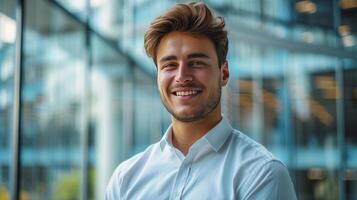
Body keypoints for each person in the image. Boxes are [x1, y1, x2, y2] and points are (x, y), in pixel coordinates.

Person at [106, 2, 297, 200]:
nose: (182, 76)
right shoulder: (125, 179)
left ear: (223, 73)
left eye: (196, 63)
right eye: (170, 65)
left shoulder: (261, 174)